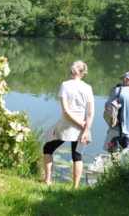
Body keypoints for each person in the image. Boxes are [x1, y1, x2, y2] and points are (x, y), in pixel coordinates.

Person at [43, 60, 94, 189]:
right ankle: (75, 187)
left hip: (66, 125)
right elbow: (90, 112)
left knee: (48, 148)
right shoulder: (88, 88)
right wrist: (86, 128)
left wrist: (82, 125)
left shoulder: (65, 85)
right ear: (83, 73)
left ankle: (48, 180)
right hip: (82, 127)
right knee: (77, 155)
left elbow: (66, 111)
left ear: (72, 71)